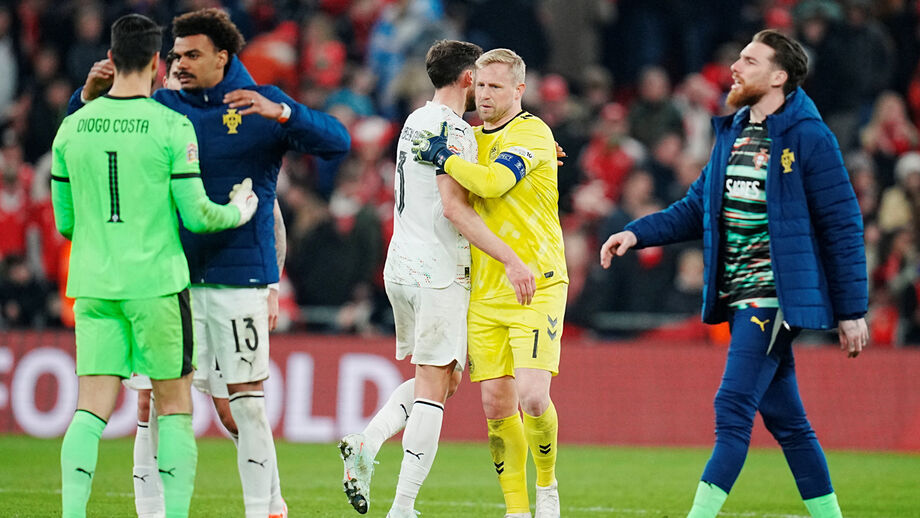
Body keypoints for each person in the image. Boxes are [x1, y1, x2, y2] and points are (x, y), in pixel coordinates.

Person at [71, 8, 351, 518]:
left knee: (243, 403)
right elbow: (87, 136)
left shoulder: (261, 103)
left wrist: (284, 114)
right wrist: (85, 98)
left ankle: (265, 508)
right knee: (150, 403)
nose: (178, 63)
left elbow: (337, 142)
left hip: (238, 279)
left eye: (191, 55)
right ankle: (151, 511)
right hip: (168, 278)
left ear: (222, 57)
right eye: (175, 54)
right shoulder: (161, 108)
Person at [599, 29, 868, 518]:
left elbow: (843, 223)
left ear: (779, 77)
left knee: (732, 407)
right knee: (788, 422)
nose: (735, 68)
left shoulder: (810, 137)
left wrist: (852, 311)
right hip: (740, 294)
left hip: (773, 296)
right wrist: (636, 233)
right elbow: (695, 207)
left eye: (749, 60)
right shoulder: (734, 131)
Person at [52, 13, 259, 518]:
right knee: (173, 409)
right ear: (154, 64)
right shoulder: (171, 125)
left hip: (94, 287)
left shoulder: (71, 128)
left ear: (111, 59)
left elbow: (65, 223)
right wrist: (240, 209)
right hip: (157, 289)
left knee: (89, 412)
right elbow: (198, 216)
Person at [337, 40, 535, 518]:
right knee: (433, 389)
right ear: (468, 78)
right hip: (438, 271)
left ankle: (368, 442)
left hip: (402, 265)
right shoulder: (455, 132)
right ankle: (402, 506)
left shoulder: (416, 120)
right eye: (480, 79)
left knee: (445, 381)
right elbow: (455, 209)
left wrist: (533, 149)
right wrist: (510, 258)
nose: (484, 89)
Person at [414, 48, 567, 518]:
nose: (484, 95)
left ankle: (547, 485)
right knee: (496, 406)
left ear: (519, 89)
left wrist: (443, 156)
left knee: (533, 397)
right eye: (479, 85)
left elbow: (494, 183)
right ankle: (516, 510)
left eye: (495, 86)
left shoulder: (533, 133)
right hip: (485, 290)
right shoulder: (471, 139)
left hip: (536, 281)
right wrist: (450, 155)